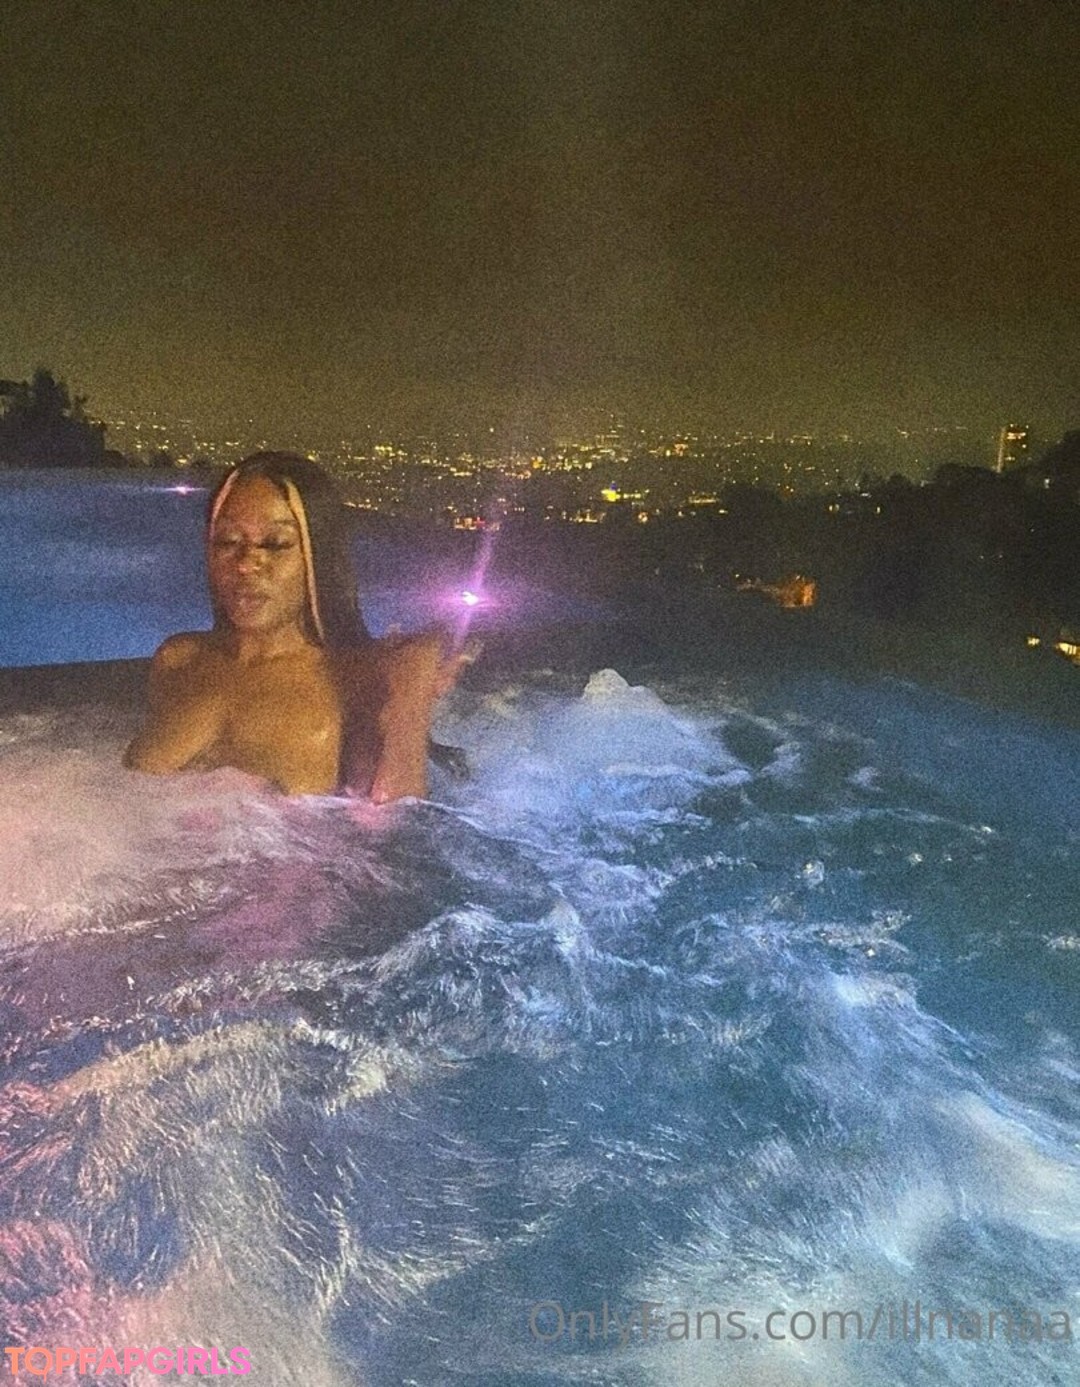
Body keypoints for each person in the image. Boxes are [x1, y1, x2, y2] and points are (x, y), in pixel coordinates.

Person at [124, 453, 473, 801]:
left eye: (276, 544)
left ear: (318, 557)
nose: (245, 564)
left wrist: (413, 688)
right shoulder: (179, 660)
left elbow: (397, 819)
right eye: (228, 541)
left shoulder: (354, 680)